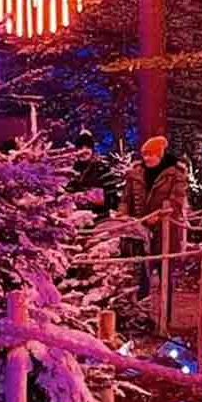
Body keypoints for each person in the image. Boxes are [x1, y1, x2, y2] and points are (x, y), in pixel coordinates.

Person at [118, 136, 188, 305]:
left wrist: (160, 216)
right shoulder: (135, 175)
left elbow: (176, 200)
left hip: (165, 231)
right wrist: (123, 214)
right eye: (145, 154)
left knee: (165, 271)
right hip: (139, 231)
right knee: (140, 272)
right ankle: (141, 309)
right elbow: (126, 199)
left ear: (160, 154)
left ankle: (165, 312)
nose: (147, 158)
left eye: (151, 154)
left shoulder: (175, 175)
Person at [69, 130, 117, 219]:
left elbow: (112, 196)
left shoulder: (102, 169)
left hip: (100, 216)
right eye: (80, 148)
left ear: (92, 150)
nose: (83, 151)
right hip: (76, 218)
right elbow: (67, 193)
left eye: (87, 147)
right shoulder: (72, 170)